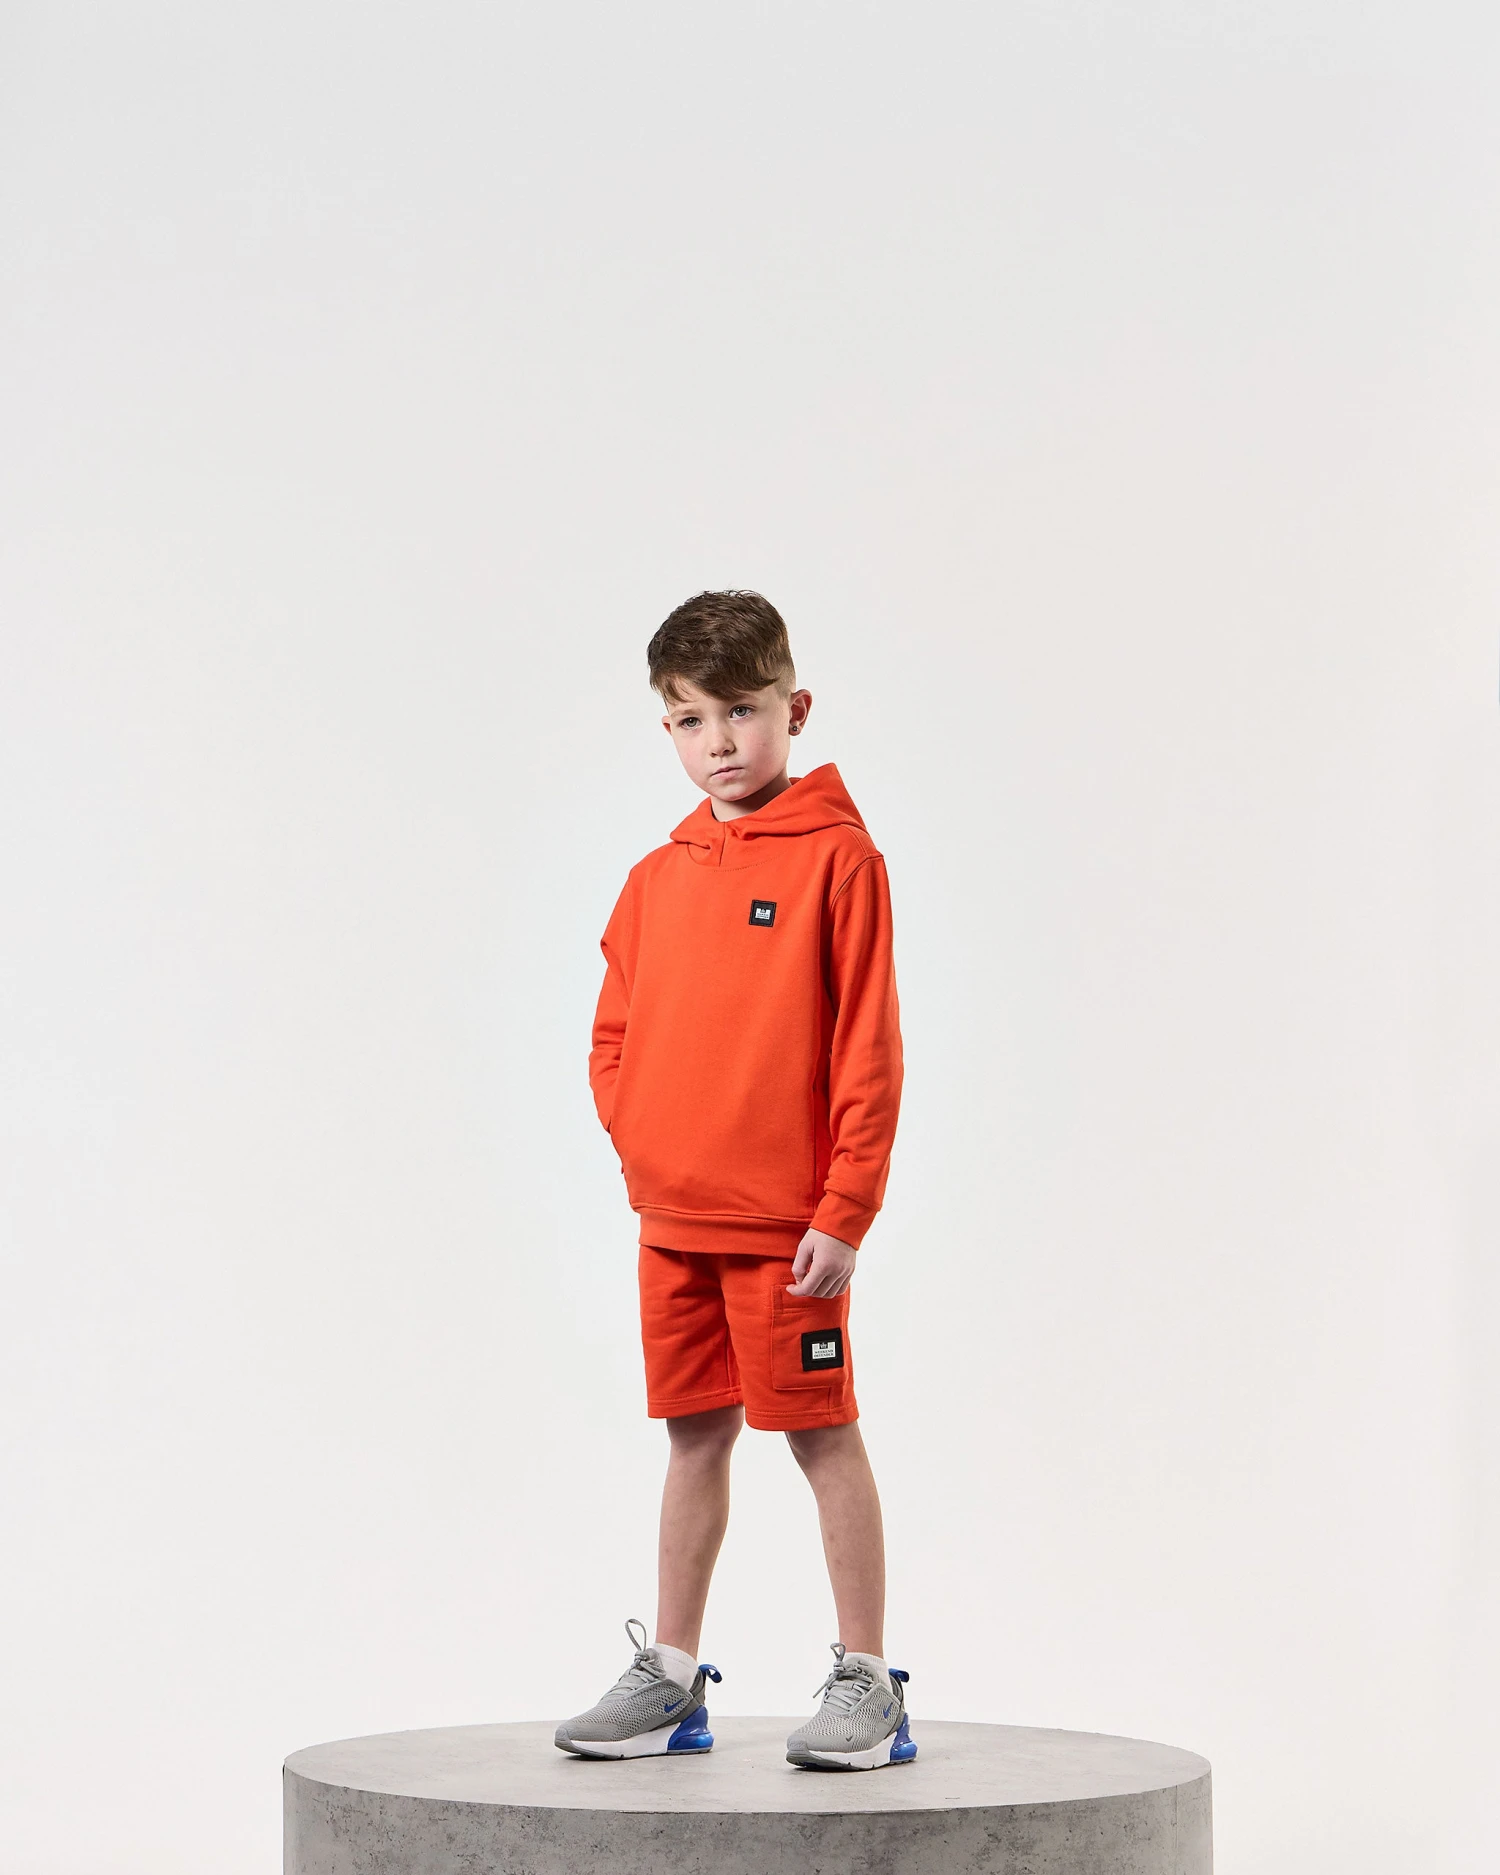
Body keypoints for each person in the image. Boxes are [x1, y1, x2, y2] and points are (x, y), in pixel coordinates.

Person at [553, 590, 913, 1771]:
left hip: (787, 1232)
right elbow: (612, 1035)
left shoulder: (841, 863)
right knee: (693, 1438)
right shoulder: (655, 879)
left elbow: (867, 1049)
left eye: (742, 711)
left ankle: (869, 1681)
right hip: (673, 1224)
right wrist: (646, 1143)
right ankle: (670, 1677)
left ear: (793, 710)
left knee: (822, 1437)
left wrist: (845, 1210)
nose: (718, 741)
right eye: (689, 719)